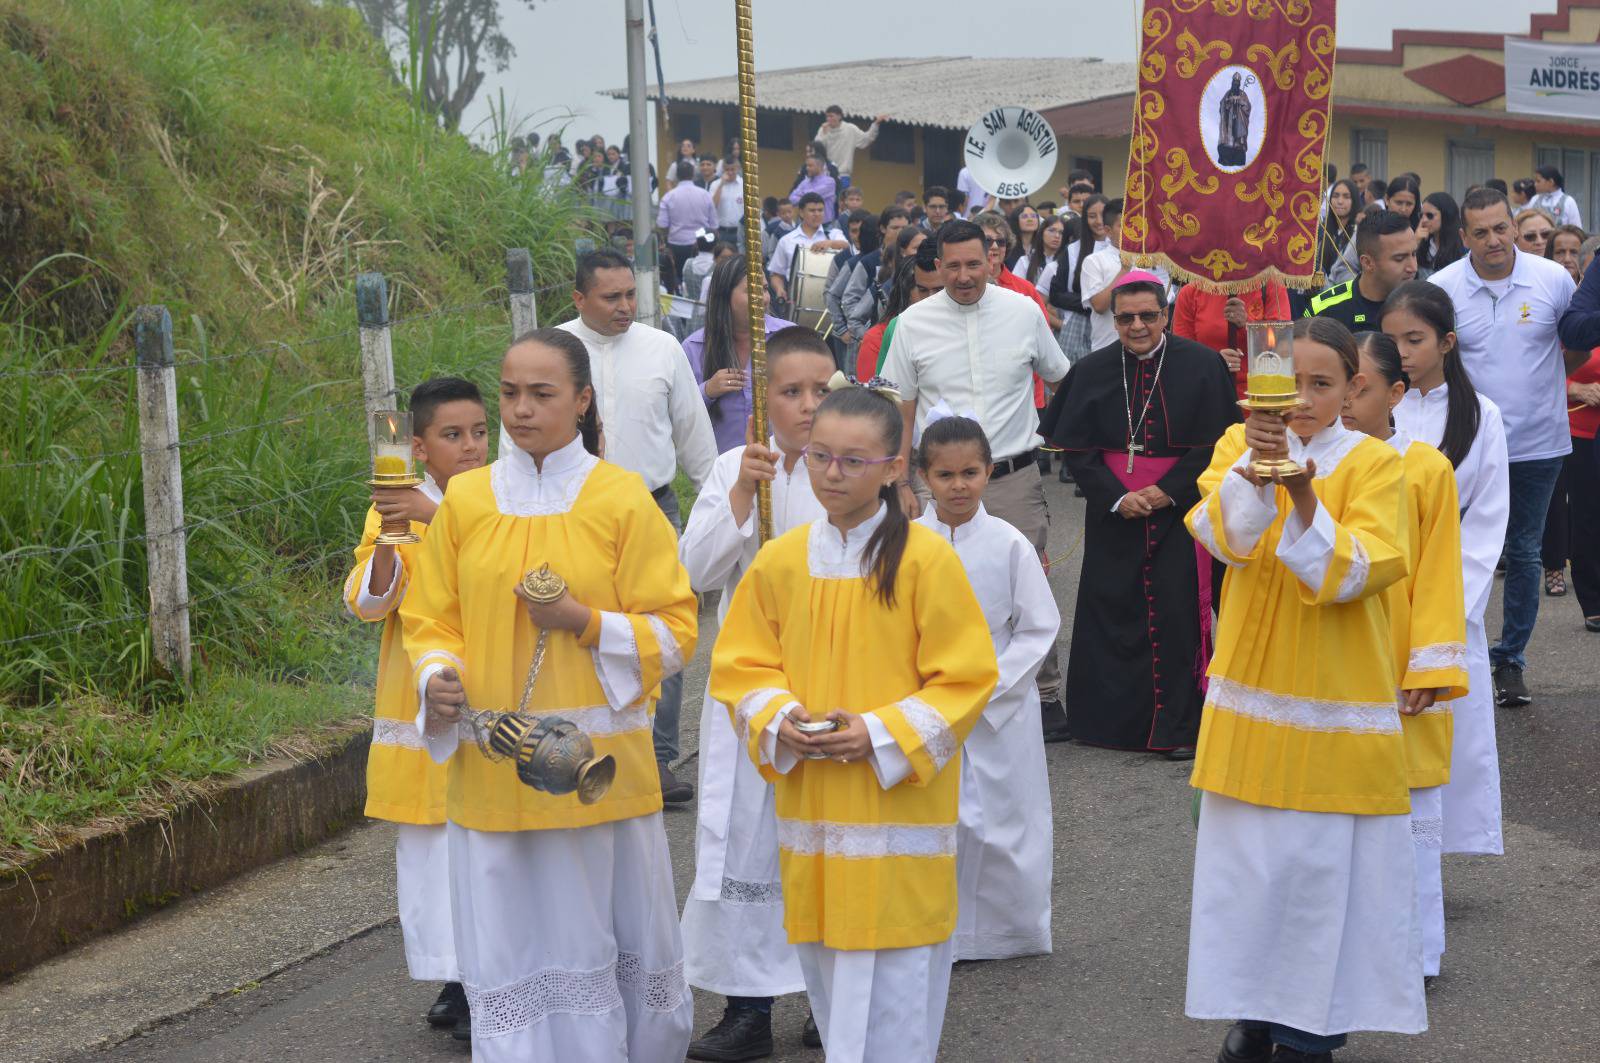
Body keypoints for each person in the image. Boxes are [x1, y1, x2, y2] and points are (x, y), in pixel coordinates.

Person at [404, 328, 696, 1063]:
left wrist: (586, 623)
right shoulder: (466, 501)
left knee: (601, 933)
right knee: (512, 947)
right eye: (509, 393)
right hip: (496, 771)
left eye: (542, 393)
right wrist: (435, 676)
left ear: (582, 399)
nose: (521, 409)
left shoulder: (622, 498)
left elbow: (676, 629)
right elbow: (431, 618)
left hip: (601, 777)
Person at [708, 381, 1000, 1063]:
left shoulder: (927, 559)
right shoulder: (781, 560)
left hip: (899, 811)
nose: (830, 474)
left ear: (894, 467)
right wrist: (779, 718)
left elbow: (966, 677)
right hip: (814, 813)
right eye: (818, 457)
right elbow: (740, 664)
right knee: (830, 982)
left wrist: (874, 731)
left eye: (851, 461)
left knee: (897, 999)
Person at [1184, 317, 1422, 1063]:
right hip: (1251, 691)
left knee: (1322, 873)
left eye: (1324, 385)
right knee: (1251, 867)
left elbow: (1360, 572)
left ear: (1354, 389)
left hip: (1335, 696)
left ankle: (1312, 1026)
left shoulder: (1379, 465)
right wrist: (1258, 475)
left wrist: (1309, 499)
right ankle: (1253, 1007)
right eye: (1293, 384)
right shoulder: (1237, 445)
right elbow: (1223, 539)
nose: (1305, 402)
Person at [681, 329, 836, 1062]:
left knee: (830, 842)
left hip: (838, 684)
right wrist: (745, 487)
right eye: (791, 391)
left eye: (823, 391)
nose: (808, 406)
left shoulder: (857, 469)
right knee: (748, 839)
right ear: (760, 399)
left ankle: (829, 999)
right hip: (755, 691)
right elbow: (698, 569)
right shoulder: (734, 468)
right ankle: (747, 1008)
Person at [882, 219, 1070, 738]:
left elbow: (1060, 378)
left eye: (974, 264)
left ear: (992, 260)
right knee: (932, 583)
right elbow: (901, 408)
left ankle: (1044, 693)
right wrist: (902, 483)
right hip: (934, 481)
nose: (964, 276)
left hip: (1011, 474)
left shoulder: (1024, 311)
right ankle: (930, 687)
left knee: (1026, 580)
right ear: (936, 266)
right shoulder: (913, 324)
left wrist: (1056, 442)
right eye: (953, 266)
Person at [344, 377, 487, 1042]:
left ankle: (495, 971)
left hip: (486, 691)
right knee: (432, 852)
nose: (470, 446)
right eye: (452, 436)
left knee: (487, 842)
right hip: (419, 696)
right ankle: (456, 977)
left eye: (479, 432)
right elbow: (370, 602)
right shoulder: (393, 507)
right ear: (421, 447)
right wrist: (392, 533)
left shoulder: (500, 498)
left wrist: (432, 512)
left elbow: (503, 563)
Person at [1044, 274, 1240, 756]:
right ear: (1114, 320)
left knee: (1177, 614)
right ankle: (1110, 726)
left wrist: (1166, 492)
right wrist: (1115, 496)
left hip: (1180, 512)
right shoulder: (1091, 370)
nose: (1137, 326)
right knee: (1111, 610)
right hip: (1114, 513)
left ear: (1166, 315)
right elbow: (1076, 449)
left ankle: (1180, 728)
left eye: (1147, 316)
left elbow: (1218, 446)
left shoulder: (1202, 365)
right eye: (1126, 317)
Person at [549, 251, 718, 801]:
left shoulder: (663, 348)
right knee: (585, 631)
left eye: (630, 295)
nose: (626, 307)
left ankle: (659, 759)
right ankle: (584, 754)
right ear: (579, 299)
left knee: (662, 634)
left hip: (654, 508)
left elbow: (694, 435)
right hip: (574, 513)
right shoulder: (551, 353)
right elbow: (519, 435)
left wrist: (721, 505)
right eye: (611, 298)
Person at [1343, 331, 1469, 980]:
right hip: (1337, 669)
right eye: (1339, 381)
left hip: (1402, 671)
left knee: (1411, 811)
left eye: (1359, 384)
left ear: (1396, 392)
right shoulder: (1320, 465)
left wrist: (1432, 668)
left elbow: (1441, 575)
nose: (1344, 397)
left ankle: (1415, 952)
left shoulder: (1425, 468)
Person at [913, 412, 1058, 960]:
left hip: (998, 698)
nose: (958, 486)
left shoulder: (1009, 542)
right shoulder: (904, 542)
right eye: (945, 475)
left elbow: (1038, 625)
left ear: (990, 472)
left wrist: (988, 687)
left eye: (970, 473)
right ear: (923, 475)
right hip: (924, 695)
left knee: (1003, 818)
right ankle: (933, 928)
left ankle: (1006, 930)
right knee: (937, 818)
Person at [1430, 187, 1582, 706]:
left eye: (1501, 228)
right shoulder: (1442, 288)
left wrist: (1561, 389)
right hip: (1465, 446)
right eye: (1481, 232)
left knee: (1523, 553)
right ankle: (1447, 650)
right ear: (1463, 236)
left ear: (1514, 225)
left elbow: (1577, 346)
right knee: (1450, 549)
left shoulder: (1553, 279)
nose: (1494, 240)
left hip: (1540, 444)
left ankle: (1509, 660)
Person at [1384, 280, 1511, 869]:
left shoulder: (1481, 415)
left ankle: (1431, 851)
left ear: (1448, 341)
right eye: (1391, 341)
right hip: (1380, 589)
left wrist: (1451, 607)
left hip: (1446, 596)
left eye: (1414, 339)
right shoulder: (1377, 409)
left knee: (1448, 728)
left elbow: (1488, 517)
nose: (1402, 353)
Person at [684, 253, 800, 456]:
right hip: (720, 470)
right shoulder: (694, 347)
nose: (762, 298)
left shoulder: (790, 338)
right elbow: (680, 415)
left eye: (764, 289)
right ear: (725, 296)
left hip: (781, 464)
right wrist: (708, 390)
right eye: (751, 290)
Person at [1171, 281, 1293, 400]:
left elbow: (1282, 345)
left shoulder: (1271, 286)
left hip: (1259, 398)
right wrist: (1216, 362)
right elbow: (1183, 357)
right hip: (1208, 396)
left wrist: (1246, 323)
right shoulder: (1190, 292)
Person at [1304, 210, 1418, 331]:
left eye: (1414, 254)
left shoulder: (1426, 305)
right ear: (1367, 263)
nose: (1413, 267)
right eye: (1399, 259)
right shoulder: (1324, 310)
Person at [1081, 199, 1170, 352]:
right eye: (1124, 225)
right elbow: (1099, 306)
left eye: (1136, 223)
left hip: (1148, 347)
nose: (1133, 229)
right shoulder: (1094, 261)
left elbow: (1164, 302)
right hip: (1107, 347)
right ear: (1108, 231)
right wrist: (1124, 270)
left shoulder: (1151, 259)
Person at [856, 244, 943, 379]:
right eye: (923, 290)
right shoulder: (877, 338)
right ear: (906, 292)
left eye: (939, 290)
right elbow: (872, 395)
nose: (932, 298)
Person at [1048, 193, 1111, 368]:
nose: (1099, 221)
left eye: (1103, 215)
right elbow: (1056, 294)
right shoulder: (1073, 250)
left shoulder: (1120, 249)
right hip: (1078, 327)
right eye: (1092, 216)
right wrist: (1090, 302)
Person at [768, 193, 847, 312]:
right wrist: (779, 289)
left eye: (820, 210)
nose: (817, 214)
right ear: (801, 213)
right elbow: (776, 274)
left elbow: (848, 248)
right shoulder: (786, 240)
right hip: (796, 302)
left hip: (830, 302)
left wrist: (830, 244)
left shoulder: (833, 234)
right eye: (812, 210)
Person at [659, 160, 718, 287]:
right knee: (704, 281)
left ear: (677, 176)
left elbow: (662, 224)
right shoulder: (705, 195)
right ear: (693, 174)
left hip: (676, 245)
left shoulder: (668, 196)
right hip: (701, 245)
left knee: (678, 279)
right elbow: (713, 225)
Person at [814, 106, 887, 188]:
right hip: (825, 175)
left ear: (839, 116)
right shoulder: (823, 129)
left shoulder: (850, 129)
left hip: (843, 175)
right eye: (827, 116)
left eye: (831, 116)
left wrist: (876, 124)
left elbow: (866, 140)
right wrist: (824, 133)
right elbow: (817, 150)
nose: (828, 119)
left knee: (842, 199)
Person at [1317, 178, 1361, 286]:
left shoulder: (1359, 232)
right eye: (1335, 196)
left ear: (1354, 200)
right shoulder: (1322, 229)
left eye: (1346, 197)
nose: (1340, 201)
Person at [1416, 191, 1465, 278]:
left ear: (1446, 215)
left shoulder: (1463, 247)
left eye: (1429, 215)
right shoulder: (1422, 245)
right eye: (1421, 215)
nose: (1424, 220)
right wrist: (1415, 243)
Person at [789, 148, 839, 223]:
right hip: (805, 226)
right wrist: (806, 197)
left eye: (810, 166)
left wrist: (801, 195)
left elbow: (812, 197)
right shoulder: (805, 182)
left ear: (820, 167)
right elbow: (791, 199)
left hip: (825, 227)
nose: (807, 168)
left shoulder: (830, 182)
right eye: (807, 166)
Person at [709, 159, 745, 248]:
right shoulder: (715, 184)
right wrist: (721, 184)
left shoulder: (744, 185)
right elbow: (712, 206)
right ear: (723, 170)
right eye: (727, 170)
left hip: (739, 232)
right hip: (720, 232)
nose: (730, 172)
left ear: (738, 169)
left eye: (732, 169)